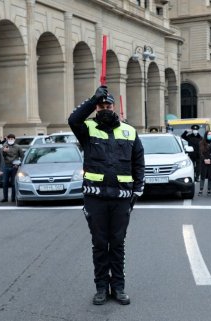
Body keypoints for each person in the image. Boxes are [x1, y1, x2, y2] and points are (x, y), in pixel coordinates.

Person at [68, 85, 145, 306]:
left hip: (121, 198)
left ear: (115, 107)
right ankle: (101, 287)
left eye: (108, 105)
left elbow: (138, 162)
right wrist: (93, 99)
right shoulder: (87, 129)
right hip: (96, 198)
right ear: (96, 108)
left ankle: (118, 287)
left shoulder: (129, 131)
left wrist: (138, 189)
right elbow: (73, 119)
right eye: (101, 106)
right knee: (100, 244)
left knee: (118, 243)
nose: (105, 108)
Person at [1, 133, 24, 202]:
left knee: (14, 183)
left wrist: (19, 164)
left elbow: (22, 156)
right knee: (5, 182)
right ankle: (5, 198)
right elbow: (1, 156)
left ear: (14, 139)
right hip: (6, 166)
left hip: (14, 166)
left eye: (12, 139)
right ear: (7, 139)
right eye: (9, 139)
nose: (10, 140)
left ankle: (13, 198)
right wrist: (4, 152)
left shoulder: (18, 147)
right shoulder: (4, 146)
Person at [197, 131, 211, 196]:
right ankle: (201, 190)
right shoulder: (201, 143)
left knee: (210, 176)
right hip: (203, 162)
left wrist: (210, 158)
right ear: (206, 135)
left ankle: (209, 190)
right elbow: (200, 153)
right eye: (208, 134)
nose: (210, 135)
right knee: (203, 176)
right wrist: (204, 159)